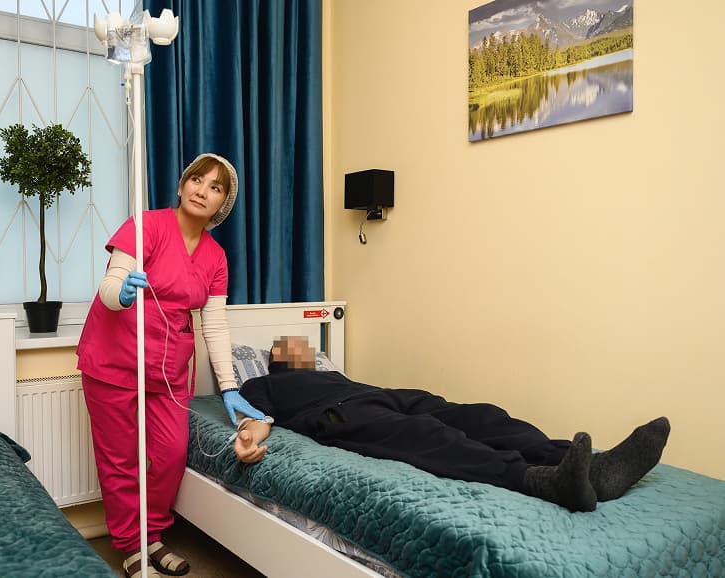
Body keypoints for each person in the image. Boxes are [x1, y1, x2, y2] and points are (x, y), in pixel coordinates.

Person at [77, 153, 265, 578]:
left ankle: (153, 534)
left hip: (167, 368)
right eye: (197, 180)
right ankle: (132, 544)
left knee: (170, 454)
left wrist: (229, 385)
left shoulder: (216, 257)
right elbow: (110, 283)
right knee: (121, 460)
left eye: (215, 187)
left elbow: (214, 323)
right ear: (182, 186)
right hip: (113, 360)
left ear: (222, 205)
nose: (202, 190)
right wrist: (122, 294)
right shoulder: (146, 226)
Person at [233, 336, 671, 513]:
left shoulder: (332, 372)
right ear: (278, 358)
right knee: (430, 438)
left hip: (383, 394)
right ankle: (542, 481)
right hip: (339, 414)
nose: (304, 349)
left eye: (306, 347)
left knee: (480, 416)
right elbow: (256, 417)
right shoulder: (264, 383)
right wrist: (249, 437)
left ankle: (591, 467)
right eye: (292, 346)